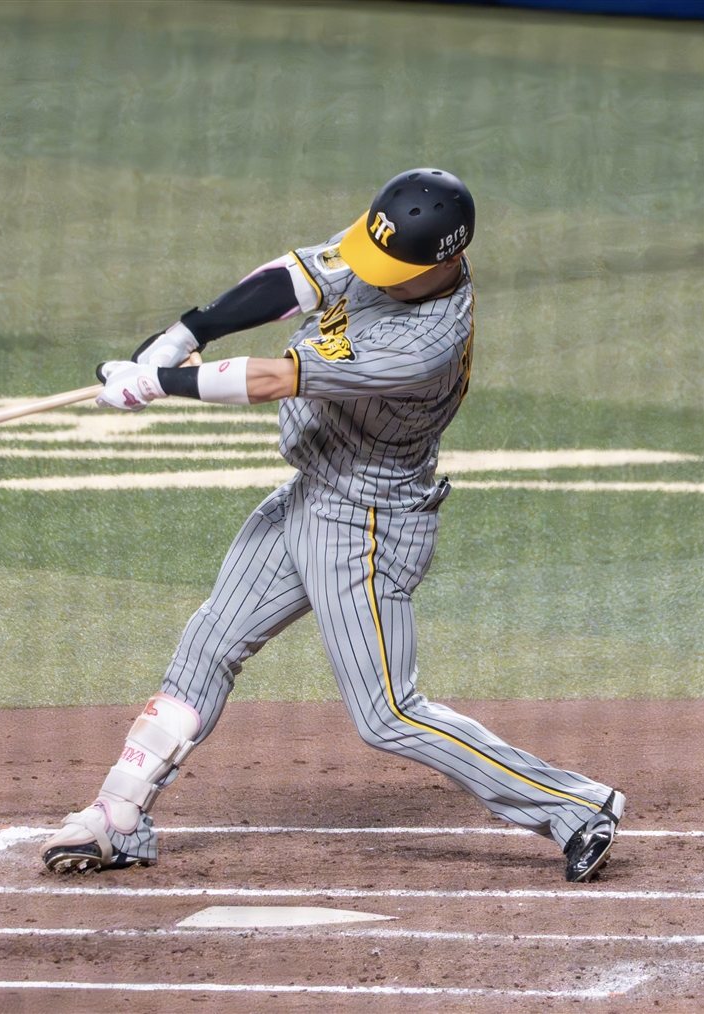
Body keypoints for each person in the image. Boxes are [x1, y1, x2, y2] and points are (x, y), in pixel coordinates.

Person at [40, 168, 624, 884]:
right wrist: (186, 332)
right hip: (310, 493)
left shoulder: (424, 344)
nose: (370, 272)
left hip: (367, 524)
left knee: (388, 715)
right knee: (207, 646)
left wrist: (159, 383)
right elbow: (293, 279)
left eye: (391, 268)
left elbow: (272, 379)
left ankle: (576, 806)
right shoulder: (391, 250)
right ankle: (117, 817)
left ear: (443, 262)